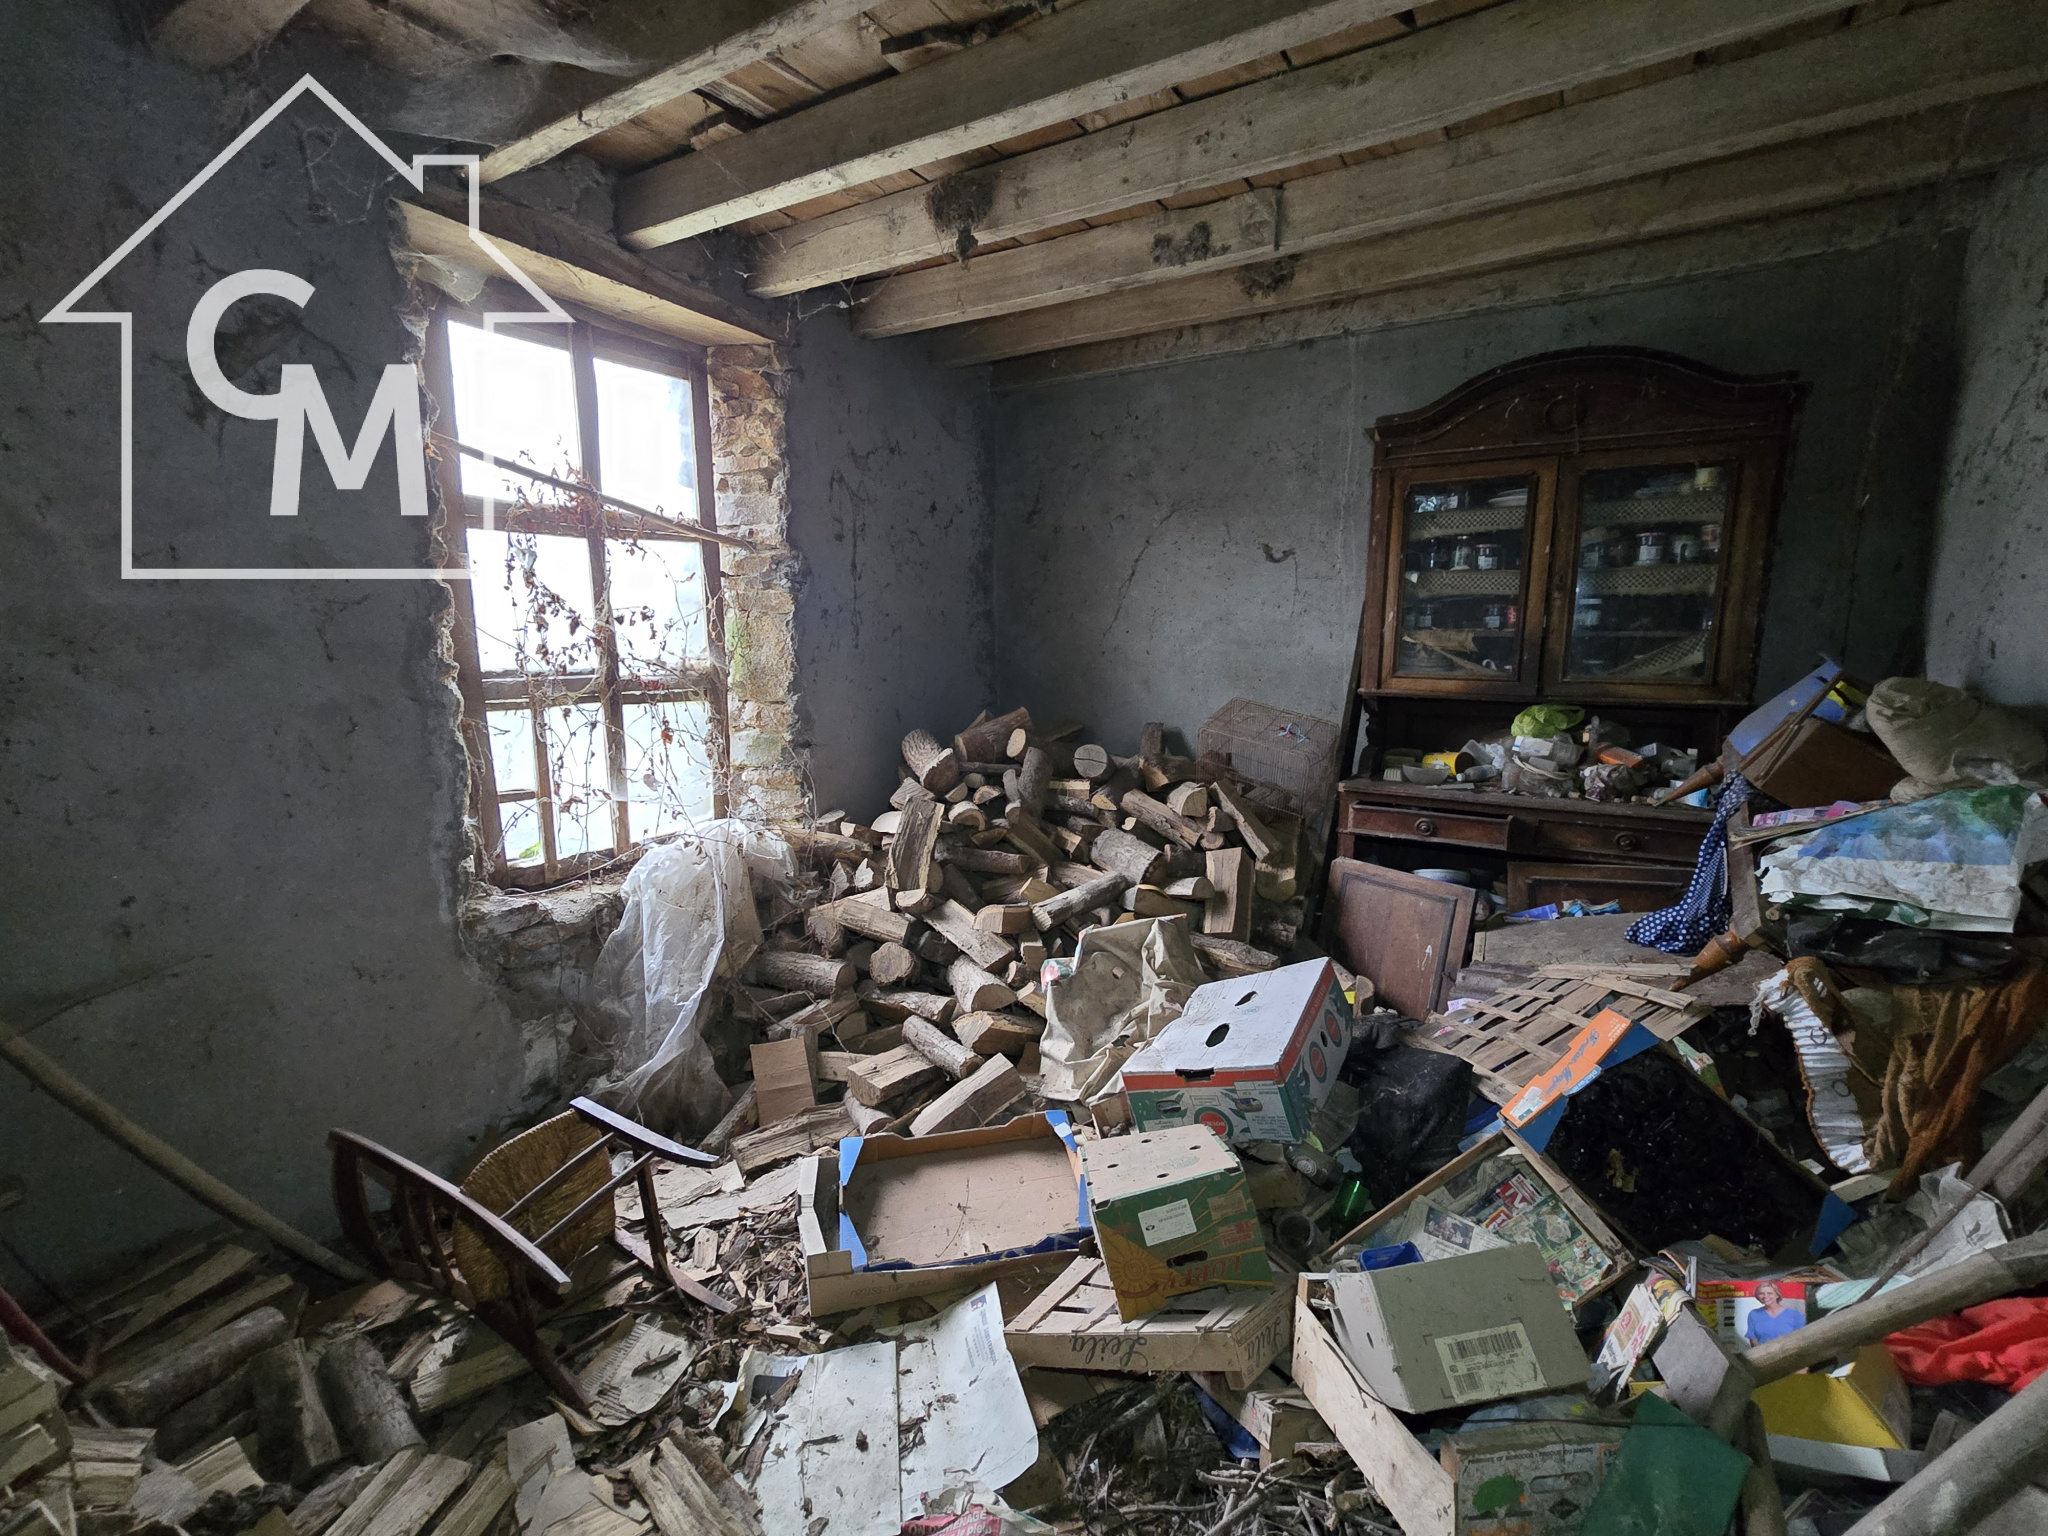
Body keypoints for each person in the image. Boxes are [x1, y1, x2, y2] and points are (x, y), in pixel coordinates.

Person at [1743, 1280, 1807, 1346]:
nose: (1765, 1296)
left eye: (1769, 1293)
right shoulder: (1754, 1314)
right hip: (1763, 1351)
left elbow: (1801, 1339)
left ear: (1777, 1295)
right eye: (1761, 1293)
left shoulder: (1795, 1315)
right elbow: (1753, 1340)